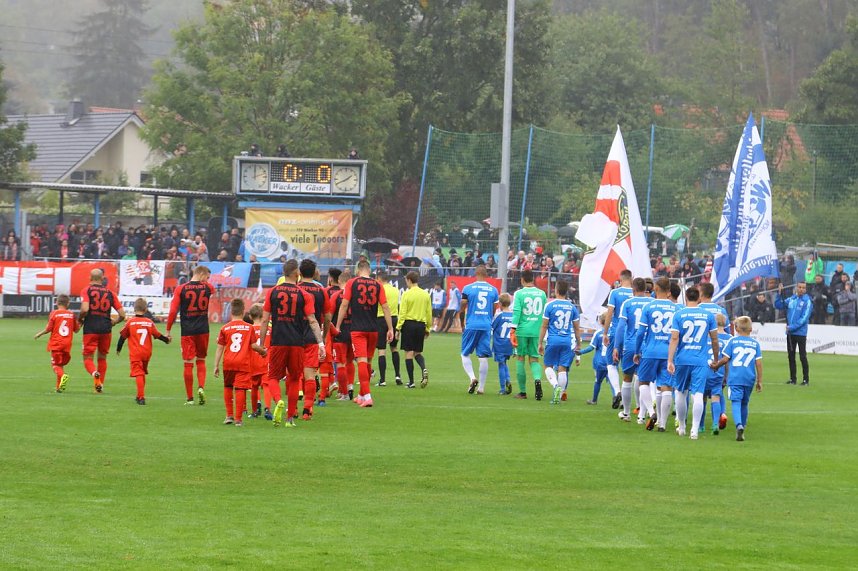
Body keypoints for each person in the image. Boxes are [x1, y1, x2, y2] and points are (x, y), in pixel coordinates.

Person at [259, 260, 325, 427]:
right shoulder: (304, 295)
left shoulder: (272, 292)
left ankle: (278, 400)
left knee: (273, 377)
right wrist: (321, 343)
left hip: (278, 341)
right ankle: (289, 419)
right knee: (295, 379)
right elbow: (312, 320)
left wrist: (261, 344)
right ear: (297, 273)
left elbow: (265, 319)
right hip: (297, 342)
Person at [335, 260, 392, 408]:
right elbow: (385, 307)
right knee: (367, 362)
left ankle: (367, 396)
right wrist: (390, 328)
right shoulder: (378, 285)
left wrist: (338, 325)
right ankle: (361, 395)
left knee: (360, 361)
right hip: (373, 329)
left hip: (358, 329)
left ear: (358, 270)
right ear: (369, 270)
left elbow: (344, 305)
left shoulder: (352, 283)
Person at [667, 285, 719, 439]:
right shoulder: (708, 315)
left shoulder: (679, 314)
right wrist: (716, 359)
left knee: (680, 392)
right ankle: (694, 430)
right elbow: (715, 340)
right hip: (700, 360)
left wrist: (670, 360)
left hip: (682, 359)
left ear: (686, 298)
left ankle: (682, 426)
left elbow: (674, 338)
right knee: (698, 394)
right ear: (699, 298)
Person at [166, 265, 215, 405]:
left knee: (188, 363)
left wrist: (168, 330)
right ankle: (201, 387)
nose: (207, 280)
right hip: (203, 329)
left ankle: (189, 398)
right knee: (201, 360)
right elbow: (210, 287)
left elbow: (173, 311)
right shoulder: (208, 288)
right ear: (201, 274)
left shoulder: (181, 289)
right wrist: (203, 282)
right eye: (207, 276)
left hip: (187, 331)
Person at [633, 276, 677, 430]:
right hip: (668, 354)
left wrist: (637, 351)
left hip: (650, 351)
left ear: (656, 289)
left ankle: (652, 412)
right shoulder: (677, 308)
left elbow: (640, 333)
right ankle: (662, 424)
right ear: (669, 291)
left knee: (643, 382)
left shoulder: (649, 307)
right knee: (666, 388)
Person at [711, 316, 763, 442]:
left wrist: (716, 365)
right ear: (751, 329)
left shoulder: (733, 342)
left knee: (736, 402)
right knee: (745, 403)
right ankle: (743, 426)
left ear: (736, 328)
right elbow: (759, 363)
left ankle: (739, 425)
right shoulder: (755, 344)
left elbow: (725, 359)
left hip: (735, 378)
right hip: (749, 378)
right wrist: (759, 381)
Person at [214, 299, 264, 426]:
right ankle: (238, 419)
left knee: (228, 387)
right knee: (240, 388)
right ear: (243, 312)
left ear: (231, 312)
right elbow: (253, 346)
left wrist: (216, 365)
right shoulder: (249, 327)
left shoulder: (225, 328)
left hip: (228, 362)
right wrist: (263, 352)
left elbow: (220, 347)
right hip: (243, 362)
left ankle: (229, 416)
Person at [78, 268, 125, 393]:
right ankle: (99, 387)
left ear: (90, 278)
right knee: (102, 358)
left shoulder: (86, 290)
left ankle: (95, 374)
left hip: (91, 328)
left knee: (87, 358)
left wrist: (80, 319)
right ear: (102, 279)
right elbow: (122, 315)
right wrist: (114, 322)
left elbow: (84, 309)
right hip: (106, 329)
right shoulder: (110, 293)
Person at [116, 298, 170, 405]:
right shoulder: (149, 322)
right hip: (147, 353)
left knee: (139, 373)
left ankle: (141, 397)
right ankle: (139, 395)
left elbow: (122, 337)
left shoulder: (130, 322)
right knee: (142, 373)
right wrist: (166, 340)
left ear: (134, 308)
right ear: (145, 309)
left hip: (136, 353)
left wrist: (118, 348)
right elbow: (157, 335)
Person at [613, 277, 652, 422]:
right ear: (645, 288)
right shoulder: (651, 302)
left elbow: (621, 326)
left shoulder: (627, 303)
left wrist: (617, 346)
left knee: (627, 378)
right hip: (647, 345)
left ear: (633, 289)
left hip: (630, 344)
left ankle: (627, 412)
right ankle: (642, 414)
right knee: (644, 380)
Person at [297, 260, 332, 420]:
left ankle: (293, 409)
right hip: (312, 335)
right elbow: (327, 316)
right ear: (315, 271)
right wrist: (323, 337)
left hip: (294, 335)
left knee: (294, 374)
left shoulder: (295, 289)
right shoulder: (321, 290)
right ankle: (307, 408)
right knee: (310, 374)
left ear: (299, 272)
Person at [538, 280, 581, 405]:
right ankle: (560, 393)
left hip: (553, 340)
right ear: (566, 292)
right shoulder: (572, 307)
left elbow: (544, 326)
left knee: (547, 366)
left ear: (556, 290)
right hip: (567, 341)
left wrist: (540, 343)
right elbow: (577, 328)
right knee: (562, 369)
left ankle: (556, 385)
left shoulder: (550, 306)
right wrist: (578, 343)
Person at [460, 265, 500, 395]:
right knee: (483, 357)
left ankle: (472, 377)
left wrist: (462, 323)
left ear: (476, 274)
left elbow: (462, 307)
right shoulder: (493, 290)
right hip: (486, 325)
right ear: (486, 275)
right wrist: (488, 318)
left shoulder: (468, 288)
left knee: (464, 353)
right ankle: (481, 388)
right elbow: (494, 308)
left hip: (472, 324)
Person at [509, 269, 548, 400]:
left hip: (522, 331)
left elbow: (517, 312)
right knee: (534, 359)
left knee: (520, 358)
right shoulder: (542, 294)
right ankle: (537, 380)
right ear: (533, 279)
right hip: (537, 331)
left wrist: (512, 329)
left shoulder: (519, 293)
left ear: (522, 279)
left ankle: (523, 392)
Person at [34, 294, 79, 393]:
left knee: (55, 365)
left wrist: (39, 334)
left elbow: (48, 329)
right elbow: (76, 330)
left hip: (56, 343)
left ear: (57, 303)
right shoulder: (71, 314)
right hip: (67, 344)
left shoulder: (54, 313)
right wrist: (81, 322)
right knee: (60, 364)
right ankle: (59, 387)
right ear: (68, 303)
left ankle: (63, 376)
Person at [602, 270, 633, 409]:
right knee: (630, 370)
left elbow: (610, 313)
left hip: (616, 332)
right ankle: (631, 403)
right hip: (631, 335)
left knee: (611, 364)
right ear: (631, 279)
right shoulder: (637, 293)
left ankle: (617, 391)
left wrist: (605, 332)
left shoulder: (615, 293)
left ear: (620, 279)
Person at [397, 271, 432, 389]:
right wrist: (428, 328)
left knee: (408, 353)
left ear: (409, 280)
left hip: (409, 324)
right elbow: (428, 313)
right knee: (417, 352)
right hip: (421, 325)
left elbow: (402, 312)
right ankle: (424, 369)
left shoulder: (407, 294)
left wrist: (398, 327)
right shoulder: (425, 294)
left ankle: (411, 382)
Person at [775, 281, 813, 386]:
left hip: (800, 333)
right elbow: (779, 305)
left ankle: (806, 380)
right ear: (796, 288)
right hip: (790, 334)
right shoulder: (792, 299)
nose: (801, 289)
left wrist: (791, 327)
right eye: (800, 287)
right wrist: (779, 293)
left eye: (803, 288)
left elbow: (804, 318)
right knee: (791, 356)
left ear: (805, 289)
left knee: (802, 356)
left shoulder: (807, 301)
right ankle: (793, 379)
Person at [326, 268, 354, 401]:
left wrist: (328, 331)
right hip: (354, 332)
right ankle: (350, 386)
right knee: (350, 362)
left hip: (340, 333)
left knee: (340, 363)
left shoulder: (336, 295)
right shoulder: (355, 296)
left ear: (340, 281)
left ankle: (344, 393)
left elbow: (329, 317)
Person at [702, 313, 732, 435]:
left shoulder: (708, 336)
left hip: (705, 370)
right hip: (719, 371)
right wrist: (727, 375)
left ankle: (701, 425)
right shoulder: (729, 338)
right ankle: (715, 424)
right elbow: (728, 360)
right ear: (725, 323)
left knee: (702, 397)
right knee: (716, 396)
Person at [374, 272, 401, 387]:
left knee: (381, 350)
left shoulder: (379, 289)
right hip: (394, 318)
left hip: (381, 319)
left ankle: (383, 379)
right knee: (394, 348)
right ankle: (397, 376)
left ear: (379, 279)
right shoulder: (396, 290)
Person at [580, 315, 609, 406]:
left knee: (598, 381)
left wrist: (580, 352)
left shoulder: (598, 333)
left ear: (600, 322)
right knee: (613, 382)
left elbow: (591, 347)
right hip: (611, 362)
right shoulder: (614, 332)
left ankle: (594, 400)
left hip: (600, 362)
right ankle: (617, 399)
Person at [247, 304, 269, 418]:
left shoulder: (248, 329)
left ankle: (255, 410)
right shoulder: (269, 329)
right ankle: (268, 409)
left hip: (253, 362)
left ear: (250, 316)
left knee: (254, 386)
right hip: (266, 361)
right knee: (266, 385)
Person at [491, 293, 514, 395]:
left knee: (501, 364)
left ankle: (502, 388)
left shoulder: (499, 315)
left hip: (499, 343)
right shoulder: (513, 315)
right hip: (509, 343)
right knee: (505, 362)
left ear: (500, 303)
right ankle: (508, 380)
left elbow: (492, 327)